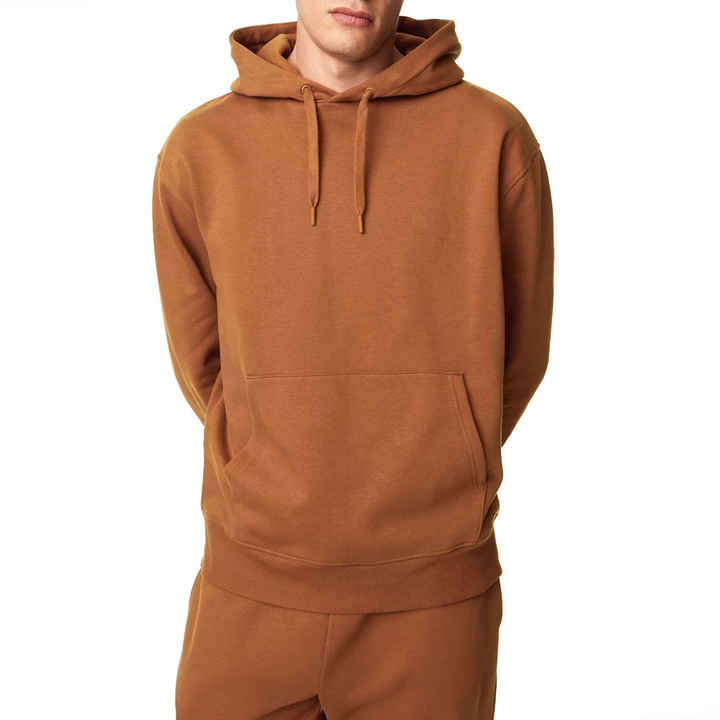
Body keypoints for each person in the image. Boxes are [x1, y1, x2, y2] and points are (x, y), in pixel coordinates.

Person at [152, 1, 553, 717]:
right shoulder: (201, 147)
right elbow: (202, 360)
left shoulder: (492, 136)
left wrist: (445, 448)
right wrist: (264, 455)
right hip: (249, 589)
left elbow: (519, 353)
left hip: (432, 602)